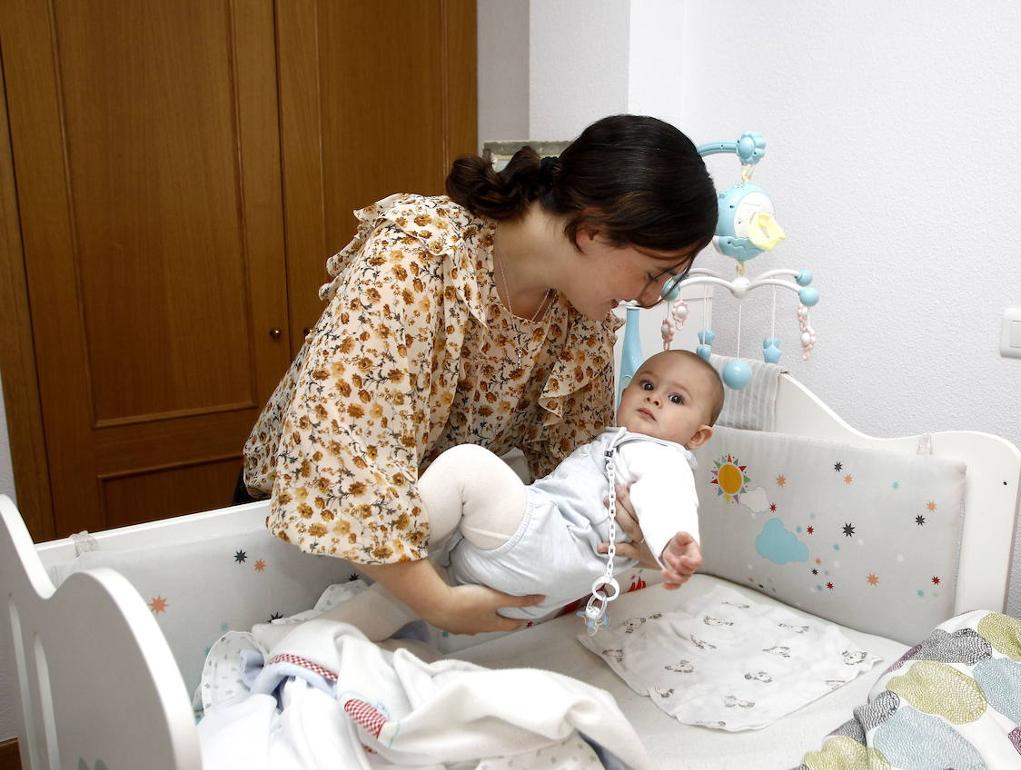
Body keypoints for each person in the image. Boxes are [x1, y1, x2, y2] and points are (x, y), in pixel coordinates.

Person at [240, 115, 718, 634]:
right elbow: (338, 461)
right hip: (303, 529)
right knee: (293, 652)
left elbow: (577, 466)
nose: (649, 299)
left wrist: (643, 535)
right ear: (594, 229)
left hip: (432, 543)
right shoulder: (416, 257)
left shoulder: (583, 318)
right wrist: (438, 604)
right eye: (653, 275)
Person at [416, 349, 724, 622]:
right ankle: (378, 621)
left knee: (467, 466)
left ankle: (396, 535)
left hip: (547, 543)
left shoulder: (658, 454)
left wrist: (672, 543)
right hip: (535, 585)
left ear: (697, 437)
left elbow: (666, 497)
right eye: (647, 385)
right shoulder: (618, 444)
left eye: (676, 399)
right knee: (404, 595)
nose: (654, 397)